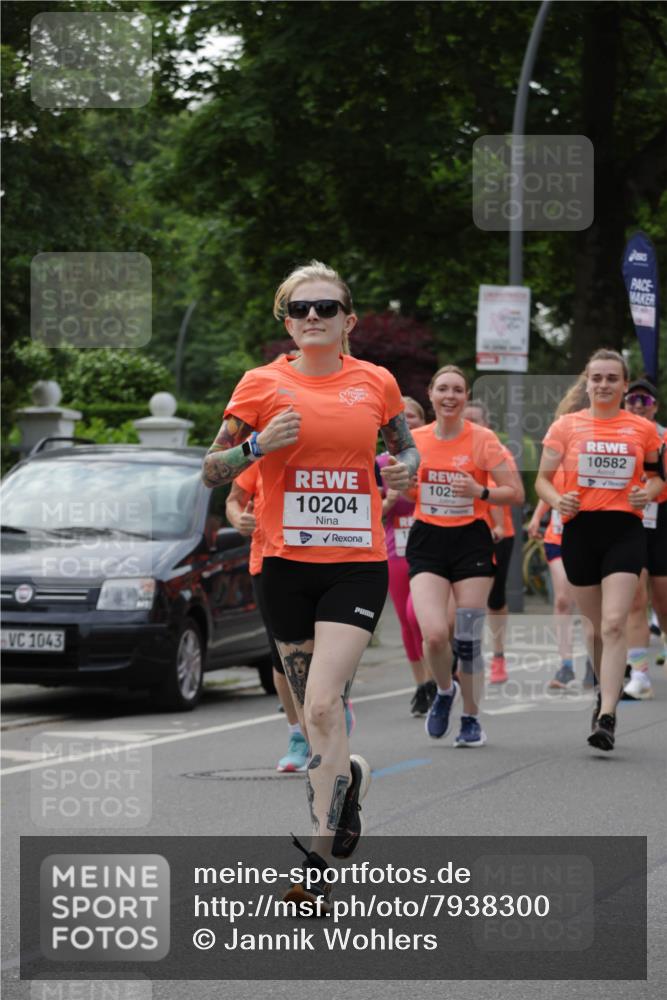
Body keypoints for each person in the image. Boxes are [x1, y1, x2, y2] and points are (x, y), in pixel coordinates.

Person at [202, 261, 419, 903]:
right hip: (284, 567)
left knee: (324, 705)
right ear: (287, 323)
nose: (314, 317)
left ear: (348, 320)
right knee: (308, 712)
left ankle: (318, 866)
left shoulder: (375, 382)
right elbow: (212, 471)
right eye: (301, 309)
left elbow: (402, 448)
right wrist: (256, 446)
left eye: (327, 307)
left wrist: (404, 470)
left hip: (355, 563)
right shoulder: (260, 385)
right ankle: (347, 778)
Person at [536, 349, 662, 752]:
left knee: (613, 623)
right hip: (580, 532)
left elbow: (658, 478)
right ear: (586, 383)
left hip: (625, 530)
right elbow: (542, 481)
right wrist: (558, 502)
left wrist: (649, 492)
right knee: (595, 629)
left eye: (612, 378)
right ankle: (602, 691)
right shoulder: (565, 427)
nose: (604, 384)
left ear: (625, 385)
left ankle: (608, 714)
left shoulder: (642, 430)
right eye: (597, 378)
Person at [406, 365, 524, 747]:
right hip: (427, 540)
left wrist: (480, 490)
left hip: (471, 541)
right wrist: (400, 484)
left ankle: (471, 718)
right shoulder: (414, 439)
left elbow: (515, 492)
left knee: (468, 638)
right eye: (443, 389)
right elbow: (406, 489)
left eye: (458, 389)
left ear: (466, 397)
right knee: (436, 635)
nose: (450, 396)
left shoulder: (483, 439)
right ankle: (444, 691)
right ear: (431, 394)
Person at [527, 374, 596, 690]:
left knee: (587, 601)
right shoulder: (564, 430)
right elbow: (550, 480)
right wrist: (539, 516)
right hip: (559, 528)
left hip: (593, 524)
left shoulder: (610, 433)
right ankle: (565, 664)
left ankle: (593, 662)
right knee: (563, 598)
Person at [377, 396, 434, 716]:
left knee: (422, 616)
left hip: (431, 544)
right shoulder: (382, 463)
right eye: (401, 417)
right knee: (406, 619)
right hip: (397, 546)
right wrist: (390, 499)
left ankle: (437, 673)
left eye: (412, 416)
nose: (407, 421)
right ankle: (422, 685)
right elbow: (372, 512)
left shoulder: (433, 456)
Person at [463, 399, 522, 685]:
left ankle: (498, 657)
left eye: (477, 420)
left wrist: (497, 522)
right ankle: (465, 657)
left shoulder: (499, 453)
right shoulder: (452, 449)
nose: (472, 426)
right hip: (464, 531)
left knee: (495, 600)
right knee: (465, 601)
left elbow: (510, 492)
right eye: (467, 420)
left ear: (487, 425)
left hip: (499, 534)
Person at [622, 377, 667, 700]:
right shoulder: (616, 436)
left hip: (662, 519)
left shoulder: (664, 437)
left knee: (663, 601)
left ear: (655, 407)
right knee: (636, 600)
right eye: (632, 400)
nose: (638, 406)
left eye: (645, 401)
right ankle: (639, 675)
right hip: (629, 521)